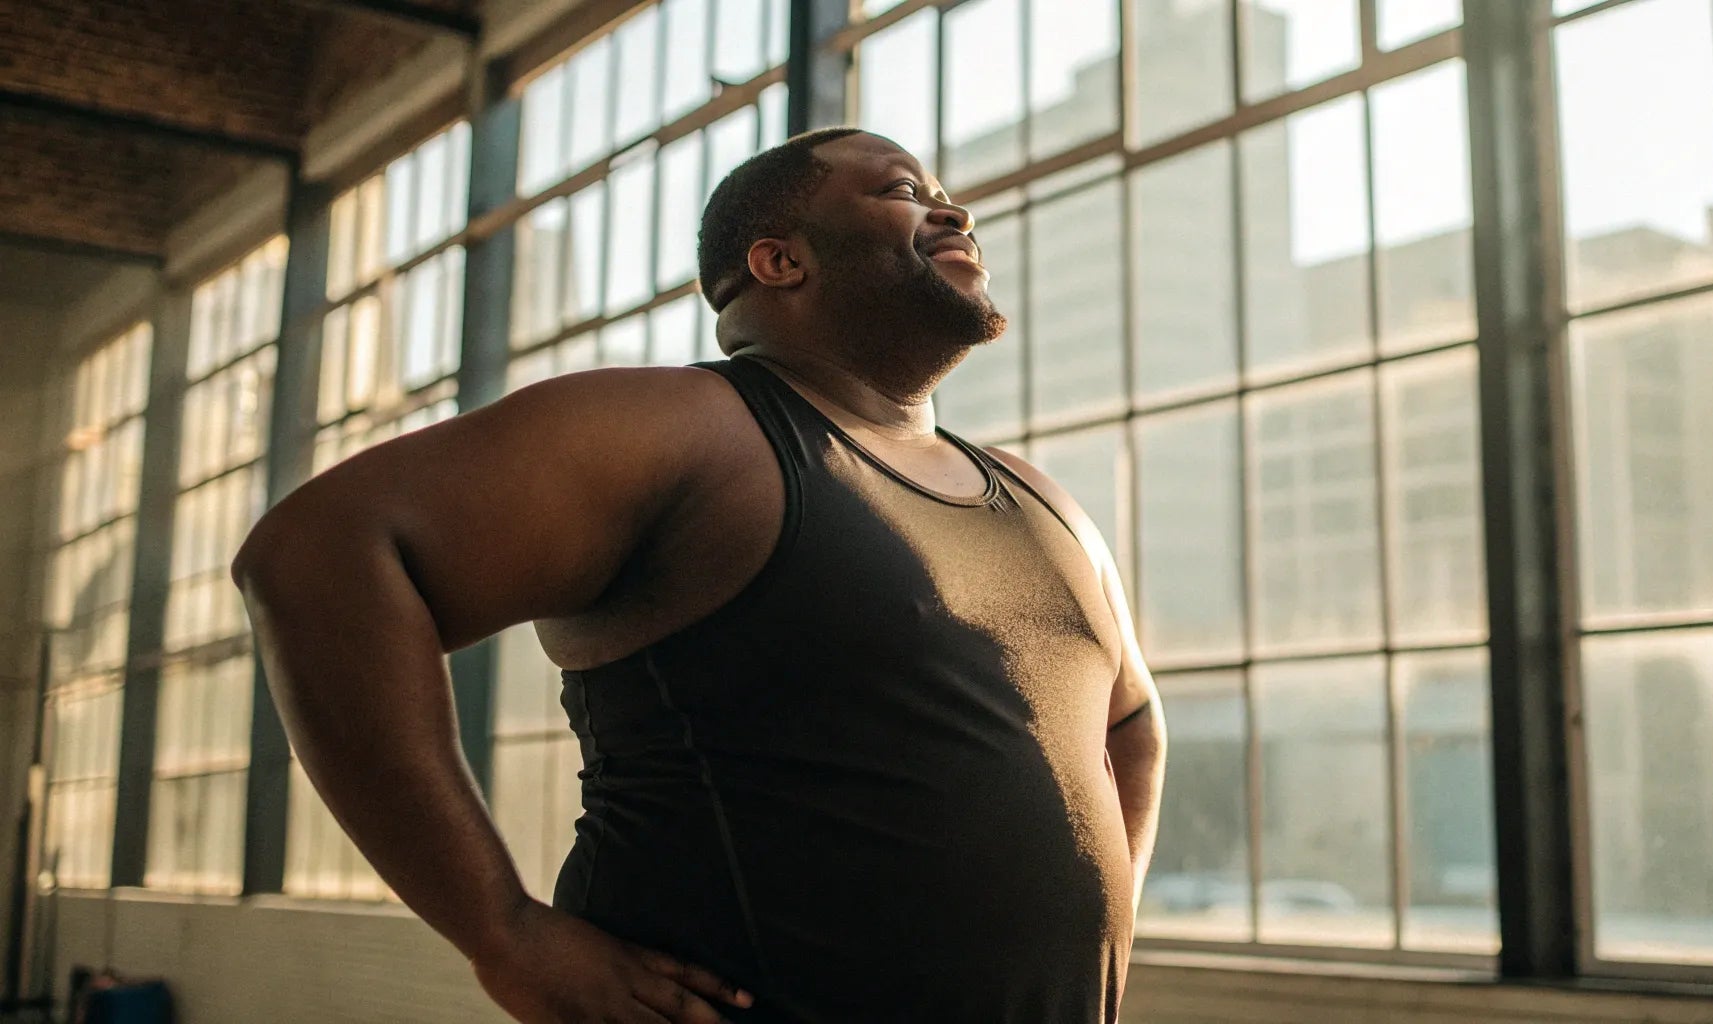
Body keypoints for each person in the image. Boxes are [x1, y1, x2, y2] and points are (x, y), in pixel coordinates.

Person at [233, 127, 1166, 1024]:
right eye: (902, 190)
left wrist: (1088, 950)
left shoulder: (1040, 497)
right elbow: (315, 556)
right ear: (779, 261)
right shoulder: (683, 430)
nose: (954, 214)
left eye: (947, 196)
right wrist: (504, 933)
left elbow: (1130, 722)